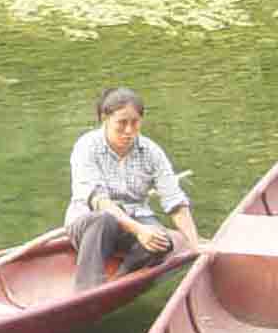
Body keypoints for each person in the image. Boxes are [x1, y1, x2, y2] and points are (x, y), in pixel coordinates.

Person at [66, 86, 201, 289]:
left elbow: (175, 202)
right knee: (104, 219)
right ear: (105, 119)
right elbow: (99, 202)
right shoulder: (86, 147)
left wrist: (195, 244)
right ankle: (87, 288)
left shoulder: (151, 152)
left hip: (136, 219)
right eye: (122, 123)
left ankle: (120, 279)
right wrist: (139, 231)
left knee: (163, 242)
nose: (129, 131)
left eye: (135, 123)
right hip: (91, 223)